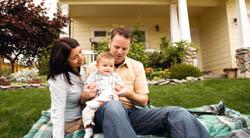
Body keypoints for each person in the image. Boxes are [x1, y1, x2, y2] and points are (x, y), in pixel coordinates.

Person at [84, 27, 211, 138]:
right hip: (103, 114)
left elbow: (143, 101)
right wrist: (88, 94)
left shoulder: (136, 66)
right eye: (116, 47)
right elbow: (81, 100)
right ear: (109, 43)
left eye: (124, 48)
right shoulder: (92, 67)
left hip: (131, 114)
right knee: (113, 106)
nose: (119, 52)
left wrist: (128, 94)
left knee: (177, 112)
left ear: (129, 47)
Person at [47, 37, 97, 138]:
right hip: (72, 122)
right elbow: (58, 111)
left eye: (80, 52)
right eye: (74, 58)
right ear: (64, 61)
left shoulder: (80, 69)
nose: (81, 58)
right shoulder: (59, 80)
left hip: (85, 115)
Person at [82, 52, 125, 138]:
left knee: (109, 91)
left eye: (111, 66)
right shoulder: (94, 75)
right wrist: (91, 86)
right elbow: (87, 85)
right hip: (97, 99)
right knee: (86, 111)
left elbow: (121, 86)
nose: (108, 68)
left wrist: (118, 87)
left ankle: (98, 103)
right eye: (105, 66)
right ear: (97, 66)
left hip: (111, 100)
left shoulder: (114, 76)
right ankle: (88, 129)